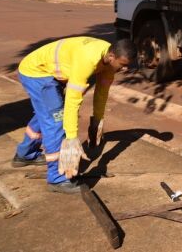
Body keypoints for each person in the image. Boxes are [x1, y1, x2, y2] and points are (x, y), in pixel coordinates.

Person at [14, 36, 137, 194]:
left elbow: (101, 94)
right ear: (112, 57)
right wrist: (71, 138)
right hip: (36, 73)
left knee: (47, 113)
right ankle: (58, 179)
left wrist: (97, 122)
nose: (125, 70)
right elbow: (72, 102)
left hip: (50, 72)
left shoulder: (109, 61)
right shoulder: (87, 61)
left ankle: (25, 154)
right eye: (123, 65)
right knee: (57, 119)